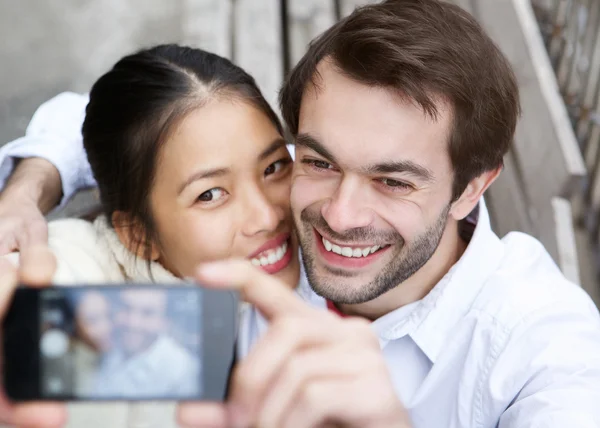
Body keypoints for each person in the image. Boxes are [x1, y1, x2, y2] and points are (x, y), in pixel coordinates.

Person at [2, 1, 600, 427]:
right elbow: (126, 123)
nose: (339, 216)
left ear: (473, 187)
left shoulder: (540, 346)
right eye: (318, 162)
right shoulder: (262, 239)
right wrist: (30, 190)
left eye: (392, 181)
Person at [0, 43, 307, 428]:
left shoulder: (325, 199)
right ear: (139, 234)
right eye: (210, 194)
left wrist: (29, 185)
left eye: (275, 166)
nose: (267, 216)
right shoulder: (85, 271)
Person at [92, 289, 200, 398]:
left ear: (165, 322)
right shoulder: (108, 342)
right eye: (126, 308)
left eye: (147, 313)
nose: (133, 323)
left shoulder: (182, 371)